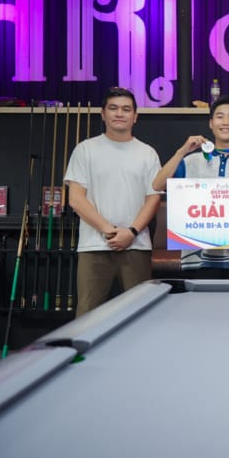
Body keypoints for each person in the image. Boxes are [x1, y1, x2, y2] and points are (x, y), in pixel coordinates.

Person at [64, 87, 161, 316]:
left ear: (135, 116)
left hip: (136, 245)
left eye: (126, 109)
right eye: (113, 108)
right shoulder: (85, 150)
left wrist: (131, 232)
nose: (119, 114)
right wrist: (109, 231)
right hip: (94, 246)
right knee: (87, 316)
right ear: (103, 113)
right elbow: (76, 199)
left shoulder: (148, 153)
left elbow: (153, 199)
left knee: (141, 315)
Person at [152, 95, 229, 278]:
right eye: (220, 116)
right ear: (211, 123)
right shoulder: (191, 161)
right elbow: (158, 184)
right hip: (196, 259)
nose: (225, 122)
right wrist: (182, 151)